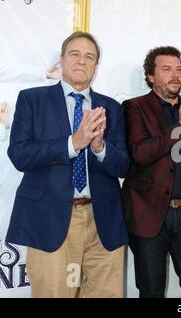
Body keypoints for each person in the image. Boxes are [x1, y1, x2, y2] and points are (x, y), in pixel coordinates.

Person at [5, 31, 130, 298]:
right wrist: (73, 143)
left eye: (90, 57)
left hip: (103, 225)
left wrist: (99, 148)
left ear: (96, 67)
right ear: (62, 60)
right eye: (75, 54)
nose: (82, 61)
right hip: (50, 220)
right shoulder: (32, 99)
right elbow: (19, 154)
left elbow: (123, 166)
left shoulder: (112, 108)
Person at [121, 46, 181, 298]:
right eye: (167, 69)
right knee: (151, 291)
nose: (176, 75)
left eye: (179, 69)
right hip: (149, 214)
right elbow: (141, 153)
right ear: (150, 76)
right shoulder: (134, 107)